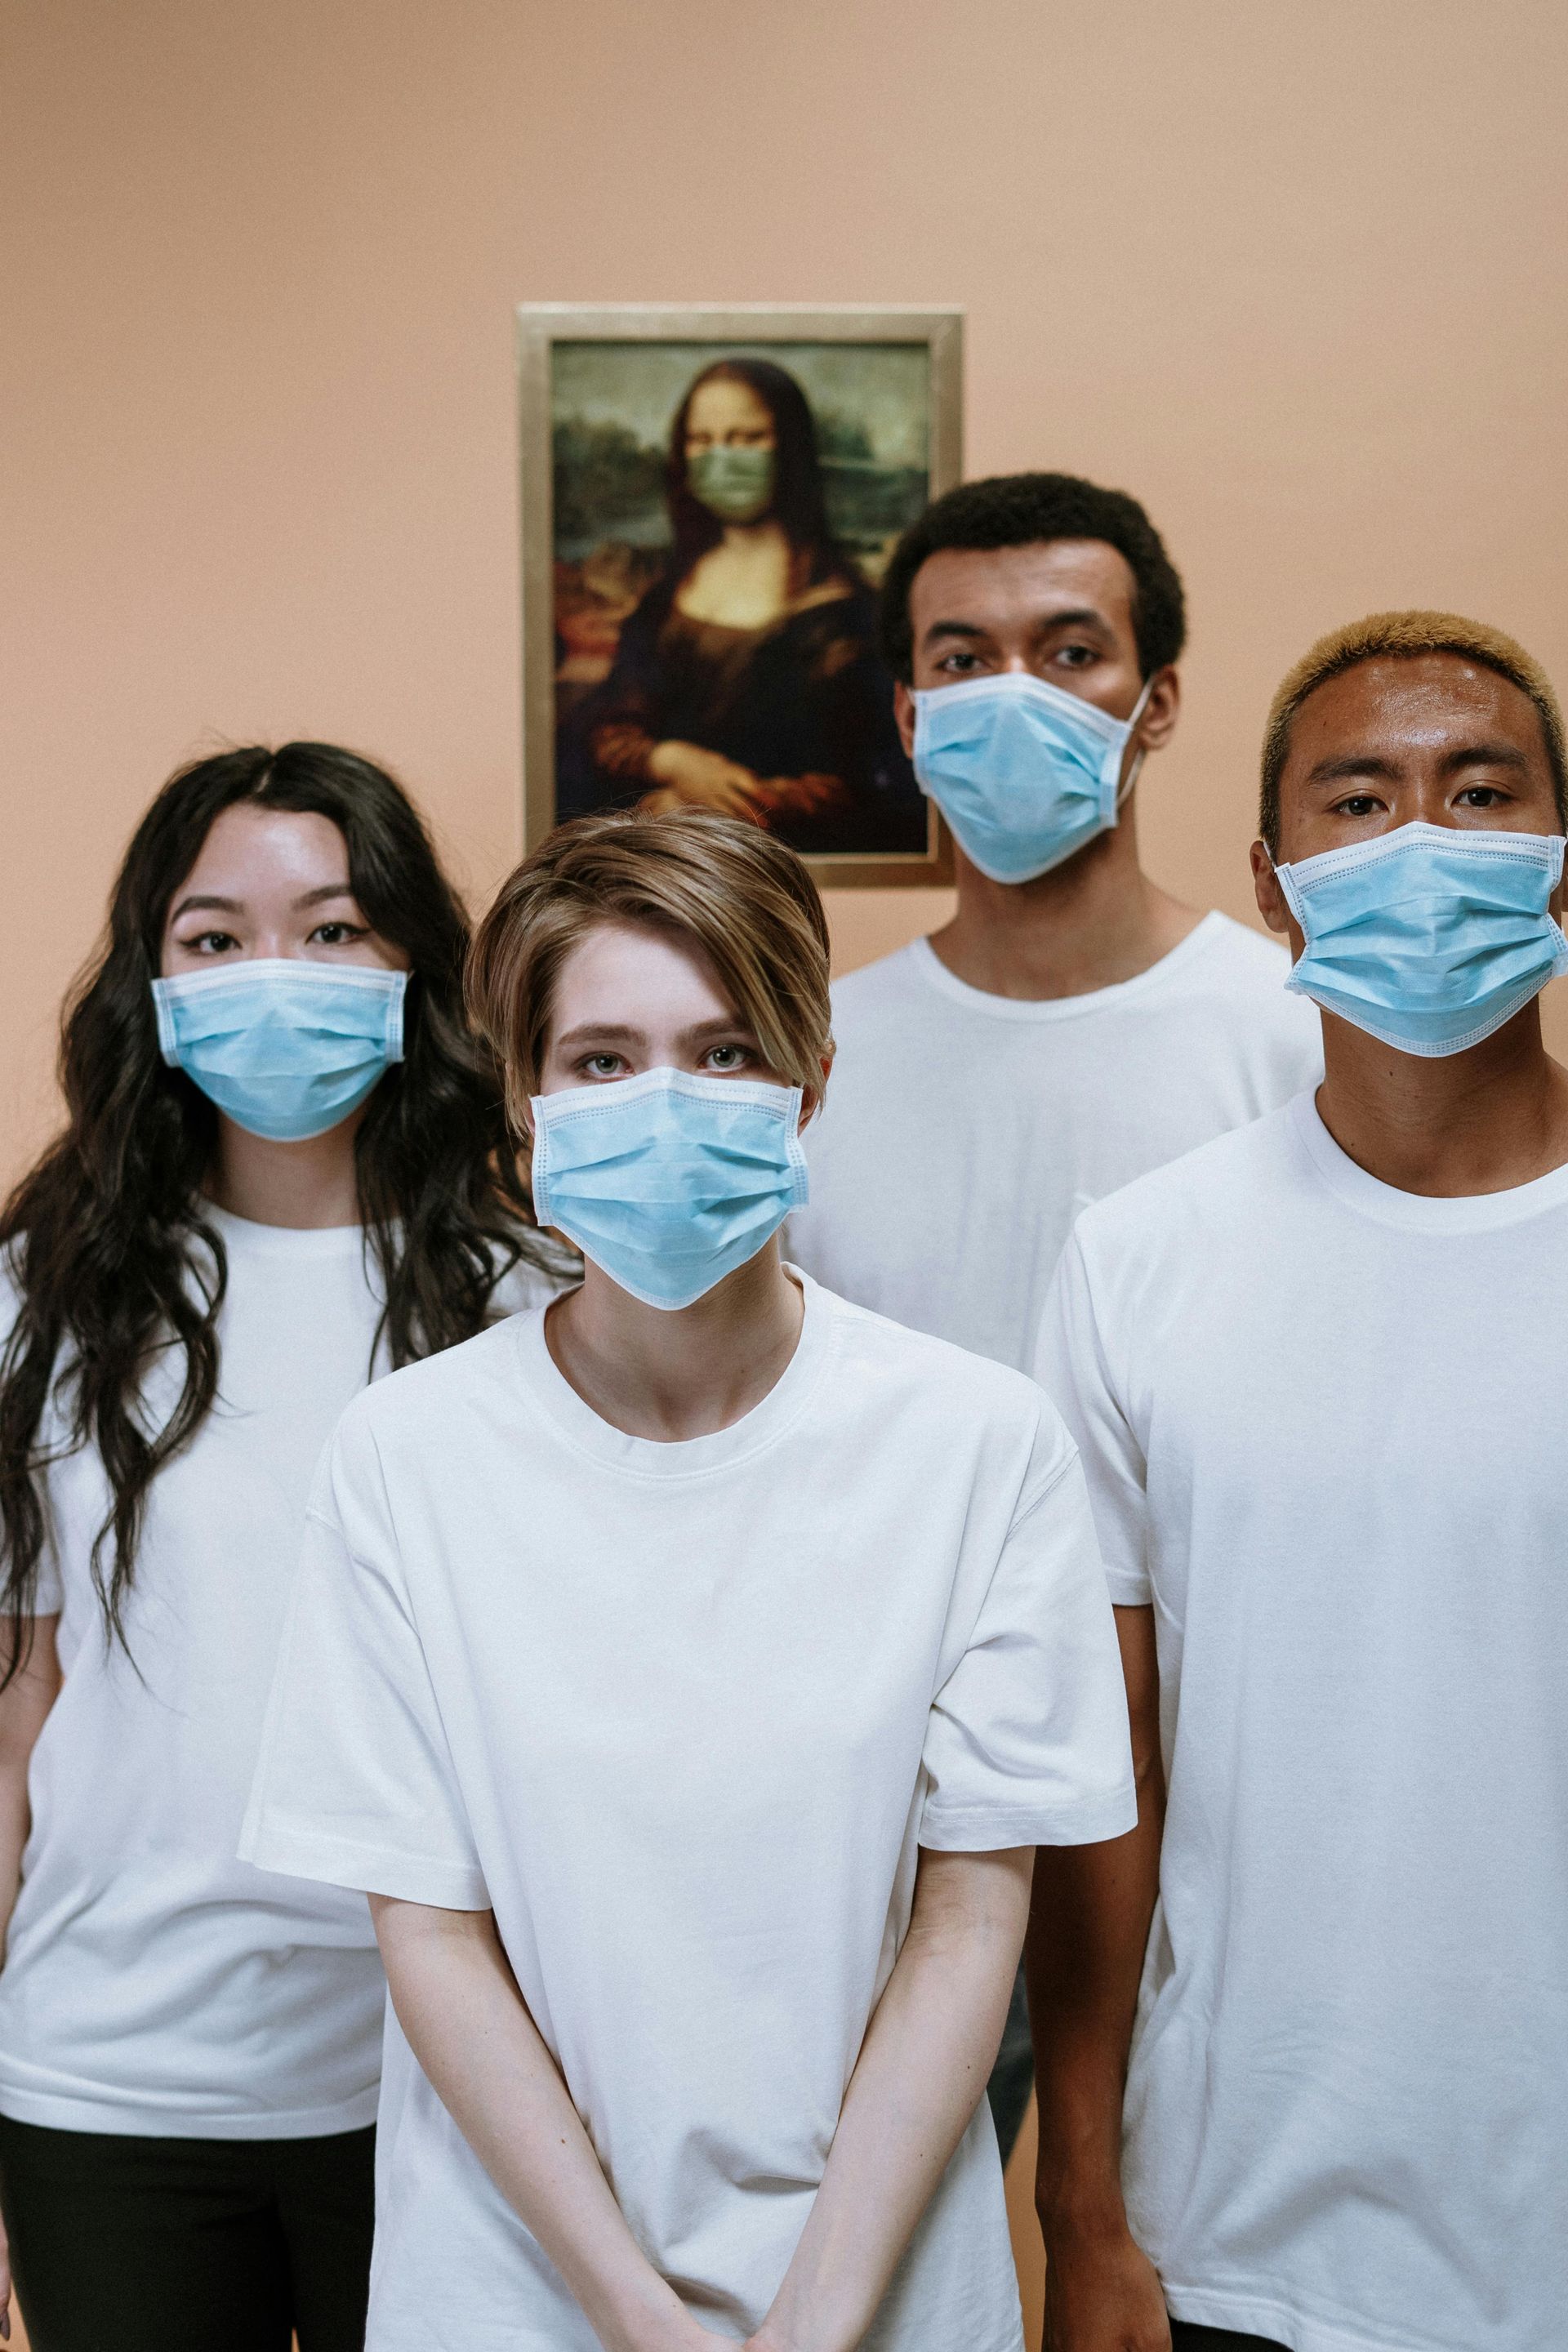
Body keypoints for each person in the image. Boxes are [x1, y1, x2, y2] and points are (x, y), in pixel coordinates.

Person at [242, 808, 1138, 2352]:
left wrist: (820, 2315)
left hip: (886, 2294)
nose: (665, 1102)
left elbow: (968, 1926)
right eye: (601, 1060)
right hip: (513, 2289)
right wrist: (635, 2316)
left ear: (814, 1086)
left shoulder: (979, 1448)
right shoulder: (407, 1461)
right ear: (523, 1109)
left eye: (725, 1053)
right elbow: (436, 1936)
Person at [1029, 612, 1568, 2352]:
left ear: (1561, 866)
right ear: (1274, 879)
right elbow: (1104, 1778)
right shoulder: (1138, 1265)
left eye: (1480, 794)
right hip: (1245, 2238)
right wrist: (1084, 2208)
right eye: (1360, 801)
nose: (1420, 841)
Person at [0, 743, 568, 2352]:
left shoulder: (535, 1300)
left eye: (331, 932)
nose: (276, 979)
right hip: (107, 2084)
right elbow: (14, 1712)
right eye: (214, 937)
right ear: (150, 980)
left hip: (449, 2083)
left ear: (411, 968)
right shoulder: (44, 1302)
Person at [787, 470, 1322, 2154]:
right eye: (962, 656)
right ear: (904, 712)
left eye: (1069, 649)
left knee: (1177, 2277)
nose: (1012, 691)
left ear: (1157, 700)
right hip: (881, 1811)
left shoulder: (1295, 1042)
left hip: (1216, 1809)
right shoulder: (810, 1068)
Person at [556, 357, 925, 855]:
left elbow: (874, 785)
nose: (721, 457)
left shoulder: (847, 612)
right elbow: (607, 724)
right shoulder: (666, 598)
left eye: (746, 439)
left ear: (789, 448)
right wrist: (669, 761)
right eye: (702, 441)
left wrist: (711, 808)